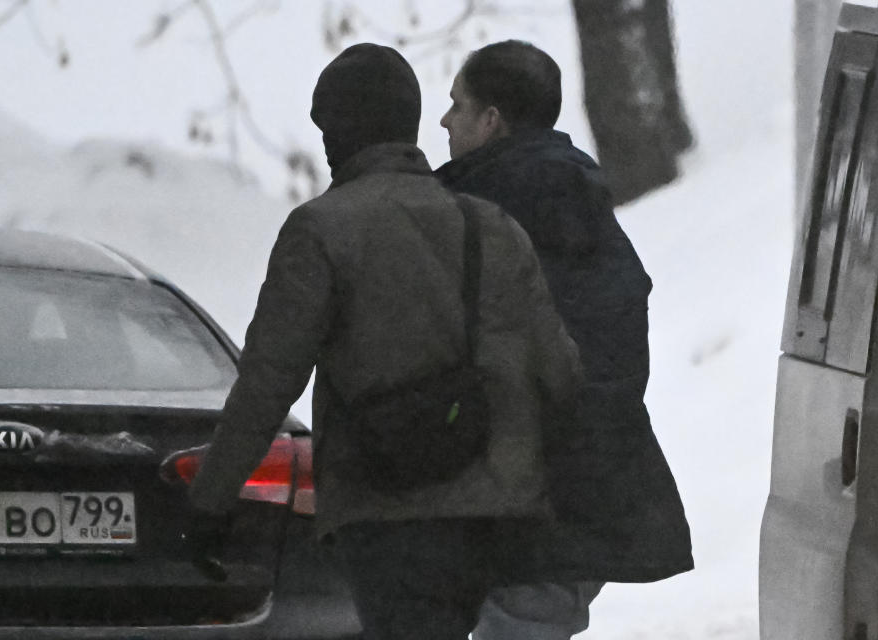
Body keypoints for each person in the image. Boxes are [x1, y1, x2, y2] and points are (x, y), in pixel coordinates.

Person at [185, 43, 584, 640]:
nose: (323, 144)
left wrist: (210, 502)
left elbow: (268, 382)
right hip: (498, 514)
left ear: (343, 130)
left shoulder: (320, 230)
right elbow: (561, 372)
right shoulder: (491, 225)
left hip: (388, 510)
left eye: (328, 127)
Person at [435, 40, 694, 640]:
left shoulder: (488, 213)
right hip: (586, 481)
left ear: (492, 120)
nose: (445, 121)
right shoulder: (579, 200)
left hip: (524, 495)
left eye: (457, 105)